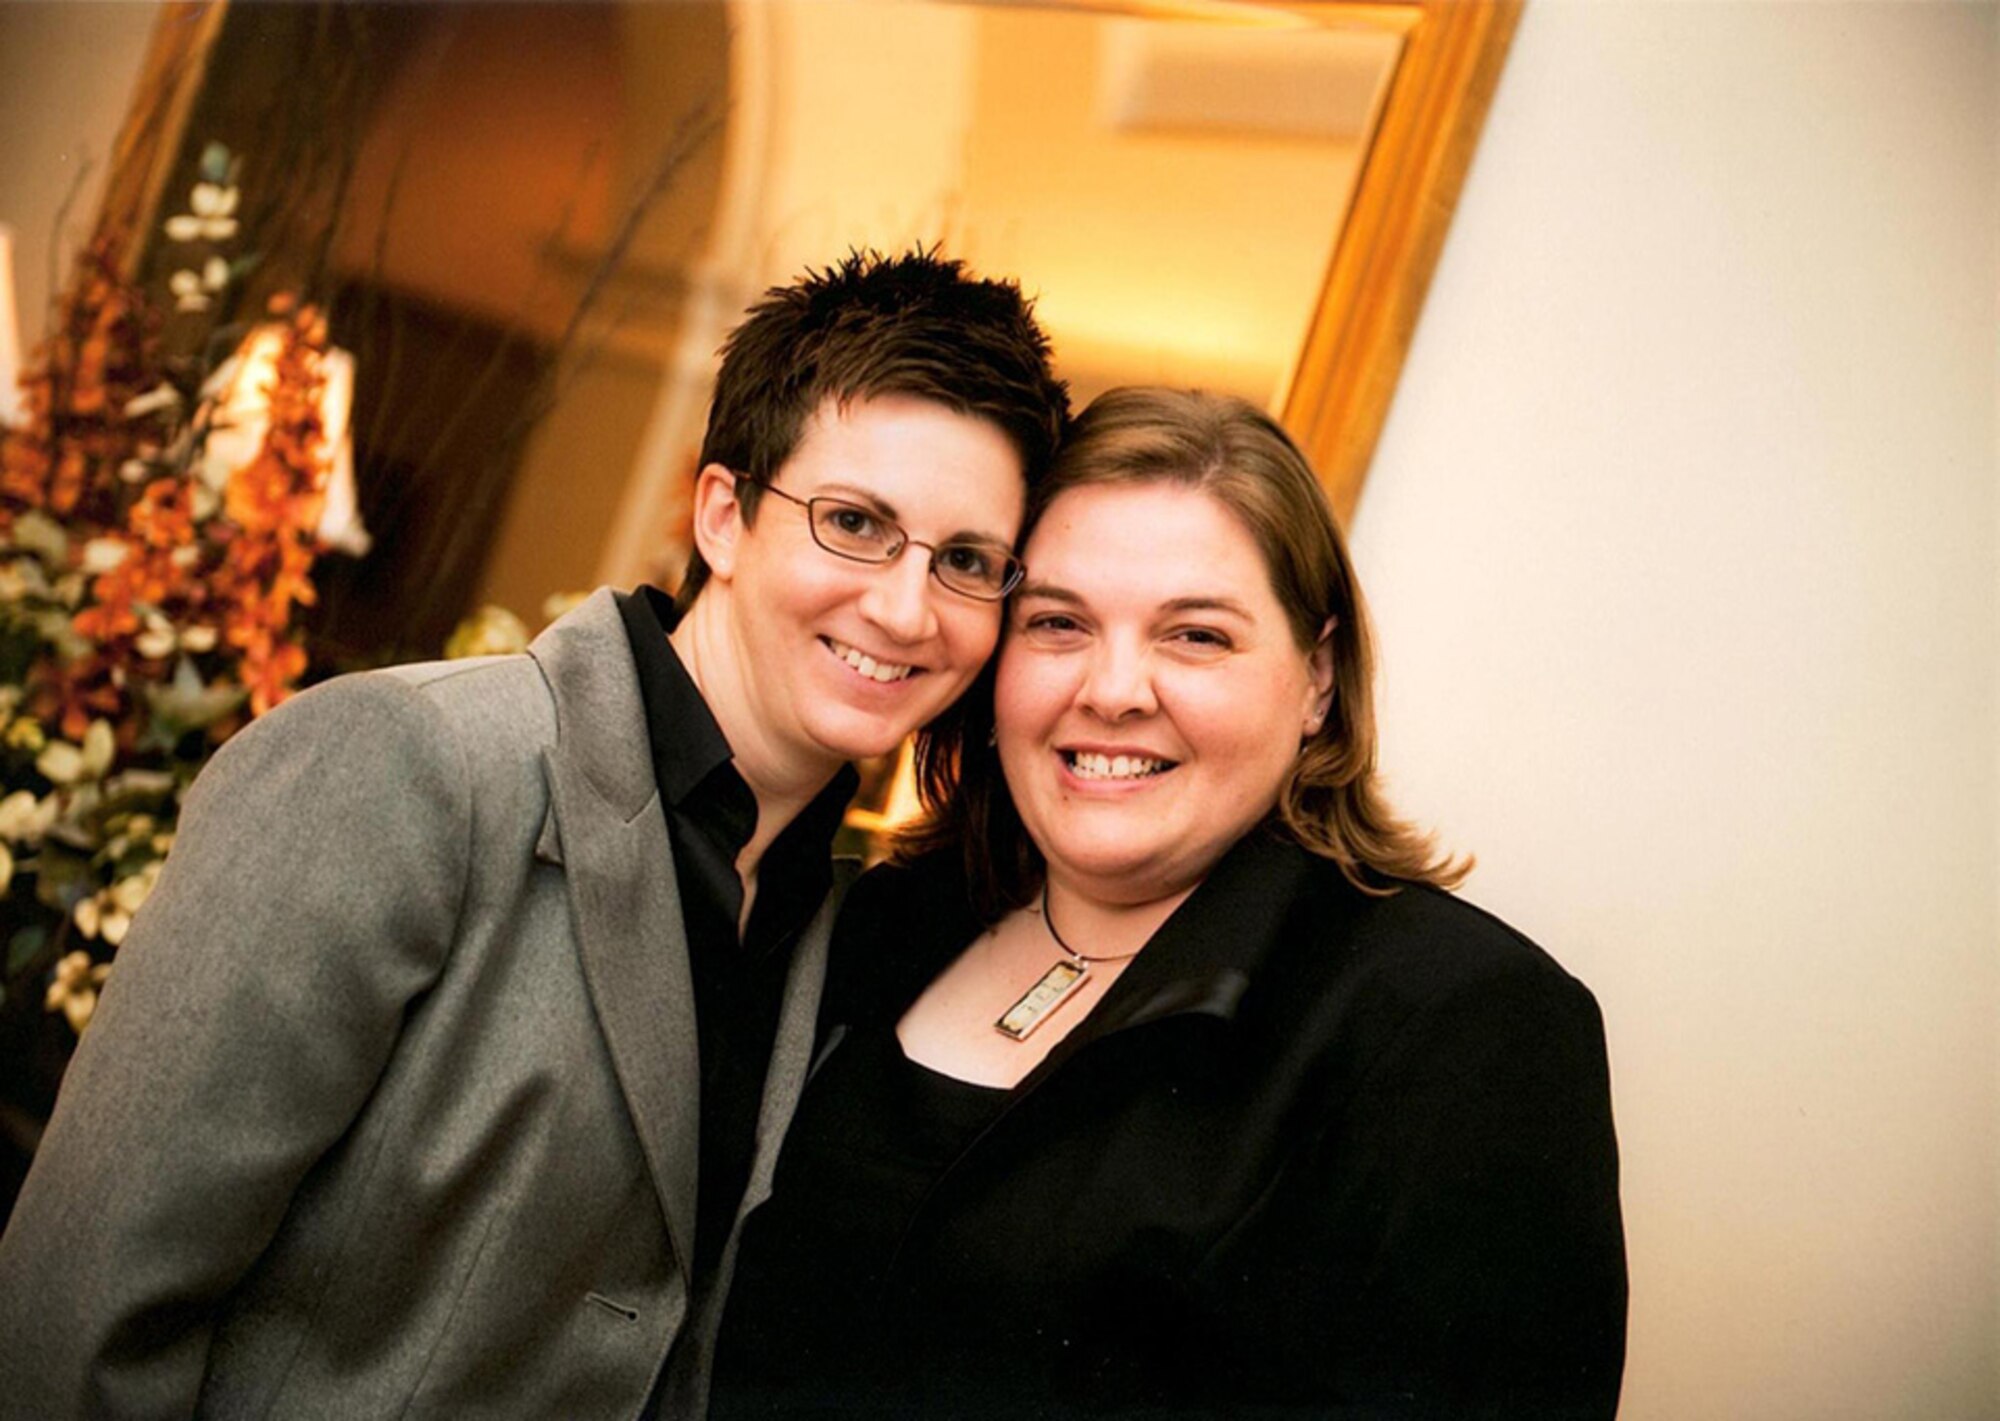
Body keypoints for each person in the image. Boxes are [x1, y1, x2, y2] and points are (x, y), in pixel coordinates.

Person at [0, 250, 1069, 1420]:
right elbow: (79, 1313)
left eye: (965, 561)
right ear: (723, 512)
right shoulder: (401, 766)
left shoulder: (843, 915)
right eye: (855, 522)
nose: (906, 607)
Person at [712, 388, 1628, 1419]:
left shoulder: (1456, 1022)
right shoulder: (878, 926)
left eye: (1193, 636)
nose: (1112, 688)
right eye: (1057, 622)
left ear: (1316, 677)